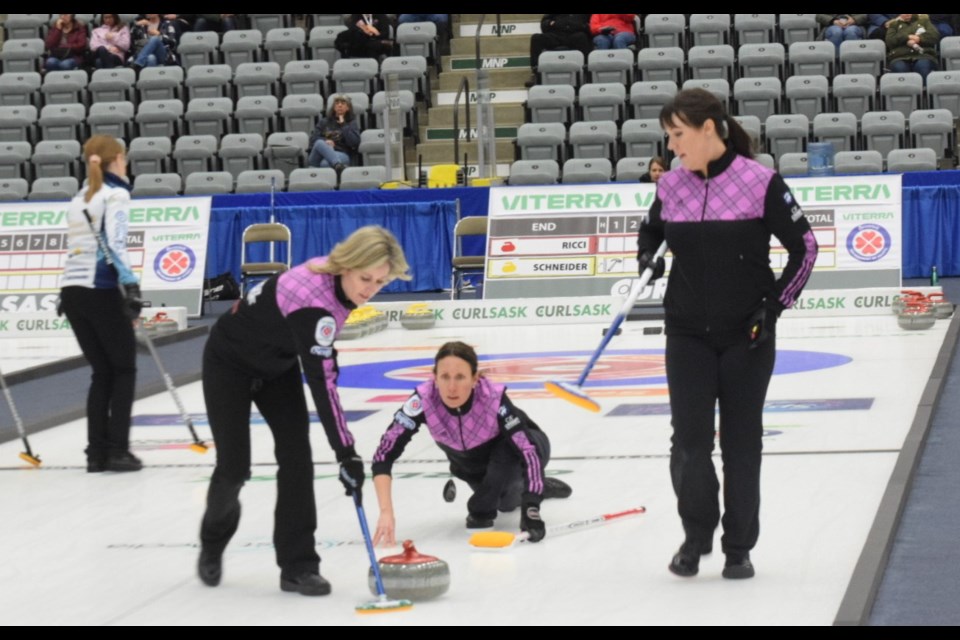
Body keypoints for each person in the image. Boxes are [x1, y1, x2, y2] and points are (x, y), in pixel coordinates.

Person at [636, 88, 818, 580]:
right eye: (669, 136)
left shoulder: (761, 182)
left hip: (747, 335)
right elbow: (651, 232)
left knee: (742, 443)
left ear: (708, 129)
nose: (672, 147)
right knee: (689, 444)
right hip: (687, 332)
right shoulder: (671, 185)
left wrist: (774, 306)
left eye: (678, 135)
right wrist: (646, 263)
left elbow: (806, 248)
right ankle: (696, 536)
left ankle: (739, 545)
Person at [197, 226, 411, 596]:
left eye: (380, 282)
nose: (369, 290)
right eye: (365, 278)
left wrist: (343, 452)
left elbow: (322, 371)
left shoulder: (334, 284)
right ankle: (213, 541)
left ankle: (298, 566)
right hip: (228, 363)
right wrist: (346, 452)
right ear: (347, 265)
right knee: (234, 469)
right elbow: (322, 383)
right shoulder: (313, 304)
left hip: (276, 367)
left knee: (297, 458)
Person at [370, 341, 572, 547]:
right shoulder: (422, 400)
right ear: (434, 377)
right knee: (505, 503)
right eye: (445, 377)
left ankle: (485, 507)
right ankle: (534, 488)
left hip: (527, 448)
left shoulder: (493, 397)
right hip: (472, 466)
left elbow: (527, 450)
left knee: (499, 470)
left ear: (475, 378)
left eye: (460, 377)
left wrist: (531, 509)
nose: (451, 387)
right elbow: (384, 454)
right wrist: (386, 512)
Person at [59, 135, 143, 473]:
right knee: (123, 370)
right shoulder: (116, 194)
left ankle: (96, 452)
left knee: (102, 372)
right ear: (118, 159)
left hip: (72, 291)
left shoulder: (80, 196)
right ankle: (118, 450)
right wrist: (132, 289)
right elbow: (115, 245)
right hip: (101, 289)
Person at [307, 94, 361, 173]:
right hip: (319, 155)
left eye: (343, 103)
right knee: (319, 142)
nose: (339, 105)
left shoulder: (351, 123)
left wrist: (343, 125)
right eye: (337, 103)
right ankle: (337, 164)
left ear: (348, 108)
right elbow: (313, 140)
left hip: (341, 153)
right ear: (334, 107)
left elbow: (354, 142)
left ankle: (335, 165)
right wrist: (326, 141)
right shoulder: (324, 122)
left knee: (324, 164)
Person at [885, 14, 941, 83]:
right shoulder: (894, 24)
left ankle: (924, 91)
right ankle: (905, 93)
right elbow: (890, 41)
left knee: (923, 66)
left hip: (923, 55)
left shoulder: (924, 21)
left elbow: (934, 36)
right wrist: (907, 37)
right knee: (900, 68)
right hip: (900, 56)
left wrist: (919, 39)